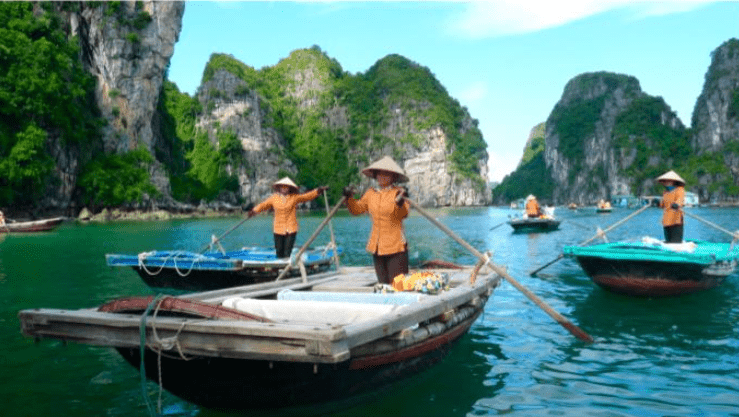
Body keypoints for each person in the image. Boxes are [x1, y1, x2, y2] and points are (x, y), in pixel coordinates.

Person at [343, 156, 410, 285]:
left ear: (393, 177)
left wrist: (401, 202)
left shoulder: (399, 193)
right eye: (379, 173)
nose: (381, 176)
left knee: (398, 286)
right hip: (377, 246)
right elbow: (357, 209)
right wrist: (349, 198)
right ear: (375, 175)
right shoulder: (371, 193)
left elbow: (404, 214)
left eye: (386, 174)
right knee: (383, 286)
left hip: (396, 246)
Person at [249, 177, 327, 259]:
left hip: (291, 228)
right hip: (278, 229)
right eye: (282, 186)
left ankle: (287, 267)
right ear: (279, 187)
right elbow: (263, 205)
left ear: (289, 188)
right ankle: (280, 268)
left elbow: (306, 196)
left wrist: (318, 191)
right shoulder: (274, 198)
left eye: (286, 187)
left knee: (287, 252)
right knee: (279, 251)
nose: (284, 188)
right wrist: (254, 211)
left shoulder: (294, 197)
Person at [657, 170, 686, 243]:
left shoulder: (680, 189)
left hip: (676, 219)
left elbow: (680, 199)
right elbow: (662, 204)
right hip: (667, 220)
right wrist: (657, 203)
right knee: (668, 241)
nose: (666, 182)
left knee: (675, 242)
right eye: (665, 181)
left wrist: (676, 204)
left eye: (668, 180)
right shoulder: (665, 192)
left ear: (673, 181)